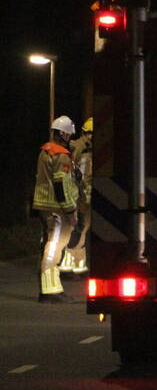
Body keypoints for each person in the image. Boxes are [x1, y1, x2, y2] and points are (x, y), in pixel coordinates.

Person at [33, 116, 79, 302]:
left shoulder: (45, 151)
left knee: (51, 245)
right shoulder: (61, 155)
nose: (69, 138)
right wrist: (70, 211)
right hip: (57, 208)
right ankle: (49, 292)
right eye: (68, 134)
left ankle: (52, 287)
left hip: (46, 205)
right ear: (62, 134)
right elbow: (61, 185)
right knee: (54, 247)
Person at [59, 117, 93, 277]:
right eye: (91, 134)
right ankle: (66, 266)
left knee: (83, 230)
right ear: (86, 133)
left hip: (84, 196)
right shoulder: (78, 147)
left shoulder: (88, 148)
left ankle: (79, 265)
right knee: (74, 230)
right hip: (77, 195)